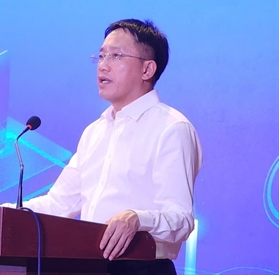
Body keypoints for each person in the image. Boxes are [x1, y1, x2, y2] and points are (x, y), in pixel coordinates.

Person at [19, 19, 202, 275]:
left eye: (116, 56)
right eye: (101, 56)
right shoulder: (95, 131)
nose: (103, 65)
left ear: (147, 69)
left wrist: (137, 219)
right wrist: (2, 215)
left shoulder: (172, 128)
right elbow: (58, 205)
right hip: (88, 266)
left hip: (142, 269)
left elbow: (181, 219)